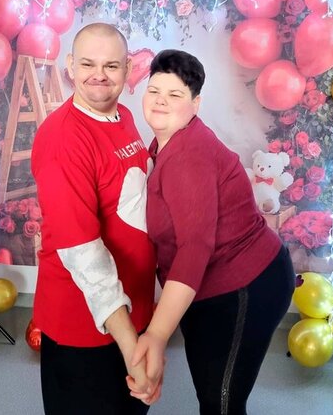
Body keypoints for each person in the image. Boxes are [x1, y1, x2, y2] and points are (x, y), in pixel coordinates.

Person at [130, 49, 295, 415]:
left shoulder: (188, 155)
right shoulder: (166, 142)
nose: (160, 101)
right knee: (211, 393)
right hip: (207, 287)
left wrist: (157, 334)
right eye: (154, 90)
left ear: (195, 104)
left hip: (246, 284)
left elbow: (194, 247)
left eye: (174, 94)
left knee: (221, 402)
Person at [31, 23, 158, 415]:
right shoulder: (63, 139)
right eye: (88, 64)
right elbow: (83, 253)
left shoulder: (123, 116)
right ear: (70, 65)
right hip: (84, 327)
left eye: (111, 66)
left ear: (127, 69)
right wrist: (131, 349)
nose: (99, 75)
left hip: (134, 309)